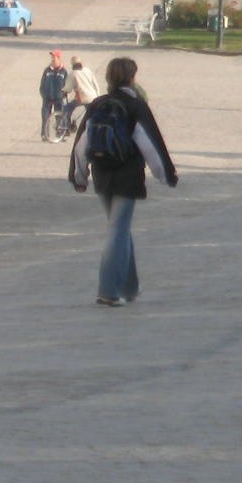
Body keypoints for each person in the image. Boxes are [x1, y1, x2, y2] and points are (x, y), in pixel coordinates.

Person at [69, 57, 177, 307]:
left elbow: (81, 143)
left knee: (120, 228)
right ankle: (108, 290)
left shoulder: (98, 104)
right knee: (117, 231)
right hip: (127, 177)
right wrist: (166, 175)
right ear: (132, 77)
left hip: (102, 175)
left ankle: (130, 287)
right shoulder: (135, 106)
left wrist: (79, 176)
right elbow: (150, 145)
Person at [60, 56, 102, 139]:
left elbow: (68, 88)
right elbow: (95, 84)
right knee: (91, 114)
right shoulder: (87, 70)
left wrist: (63, 91)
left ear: (72, 64)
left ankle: (67, 128)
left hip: (82, 98)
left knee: (67, 108)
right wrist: (97, 96)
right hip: (93, 97)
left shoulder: (73, 73)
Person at [39, 51, 69, 142]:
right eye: (51, 58)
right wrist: (43, 93)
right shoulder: (47, 70)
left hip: (58, 97)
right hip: (47, 97)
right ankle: (45, 135)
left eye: (54, 57)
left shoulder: (64, 71)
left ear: (59, 59)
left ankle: (61, 134)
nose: (52, 59)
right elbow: (42, 83)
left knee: (60, 116)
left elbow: (66, 84)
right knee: (45, 116)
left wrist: (63, 94)